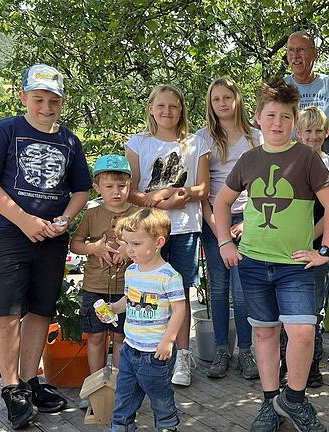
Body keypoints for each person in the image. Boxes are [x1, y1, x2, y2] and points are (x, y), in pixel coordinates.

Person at [213, 80, 329, 432]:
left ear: (294, 120)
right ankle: (270, 401)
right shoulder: (249, 160)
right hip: (253, 262)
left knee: (302, 331)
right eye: (271, 115)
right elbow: (222, 202)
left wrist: (325, 250)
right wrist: (225, 241)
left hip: (295, 264)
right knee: (265, 333)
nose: (278, 123)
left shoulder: (306, 157)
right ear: (258, 118)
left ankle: (294, 400)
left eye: (286, 116)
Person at [0, 64, 92, 429]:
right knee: (5, 313)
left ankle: (29, 380)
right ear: (24, 97)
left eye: (53, 100)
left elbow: (81, 190)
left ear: (62, 102)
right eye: (38, 98)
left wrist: (65, 219)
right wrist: (23, 219)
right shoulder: (7, 129)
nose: (45, 107)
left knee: (41, 311)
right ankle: (11, 388)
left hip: (51, 240)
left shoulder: (70, 141)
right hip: (9, 235)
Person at [126, 84, 210, 386]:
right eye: (161, 106)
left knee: (180, 293)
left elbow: (204, 188)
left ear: (181, 110)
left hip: (185, 228)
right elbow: (131, 190)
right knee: (146, 291)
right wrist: (158, 199)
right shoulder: (138, 143)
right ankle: (148, 352)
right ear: (151, 108)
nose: (167, 112)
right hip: (148, 229)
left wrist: (183, 196)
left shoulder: (196, 143)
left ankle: (183, 357)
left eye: (173, 106)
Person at [280, 106, 329, 388]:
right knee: (288, 306)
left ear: (326, 132)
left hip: (318, 245)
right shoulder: (287, 163)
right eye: (307, 130)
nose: (313, 136)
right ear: (298, 133)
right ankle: (288, 364)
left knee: (316, 306)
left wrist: (310, 238)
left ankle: (312, 364)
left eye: (318, 130)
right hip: (286, 245)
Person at [197, 77, 261, 380]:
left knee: (242, 287)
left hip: (249, 219)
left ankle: (246, 351)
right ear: (210, 104)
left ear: (237, 99)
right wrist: (218, 227)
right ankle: (222, 349)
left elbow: (263, 189)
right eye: (216, 99)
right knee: (219, 287)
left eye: (227, 97)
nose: (222, 103)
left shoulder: (256, 138)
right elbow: (202, 190)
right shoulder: (202, 138)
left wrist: (248, 220)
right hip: (213, 219)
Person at [104, 208, 186, 432]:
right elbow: (129, 299)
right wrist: (113, 308)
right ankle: (120, 427)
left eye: (136, 244)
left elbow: (179, 310)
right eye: (127, 243)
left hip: (156, 354)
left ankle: (167, 427)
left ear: (159, 242)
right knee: (124, 399)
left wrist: (168, 341)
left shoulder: (169, 276)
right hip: (129, 350)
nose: (129, 250)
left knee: (161, 401)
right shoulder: (131, 271)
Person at [70, 154, 138, 407]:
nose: (116, 191)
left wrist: (128, 249)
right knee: (97, 337)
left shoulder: (139, 214)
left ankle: (119, 387)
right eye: (109, 186)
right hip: (95, 287)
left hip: (126, 289)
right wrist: (93, 248)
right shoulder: (92, 214)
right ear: (97, 188)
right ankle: (95, 386)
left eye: (121, 186)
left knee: (121, 338)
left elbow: (151, 246)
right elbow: (75, 243)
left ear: (129, 184)